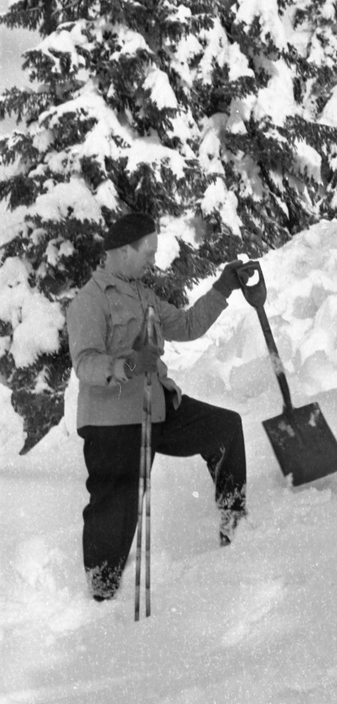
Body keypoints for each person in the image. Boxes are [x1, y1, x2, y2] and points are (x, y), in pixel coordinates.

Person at [66, 212, 252, 602]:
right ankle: (101, 591)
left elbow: (185, 326)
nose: (153, 259)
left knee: (225, 429)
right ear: (121, 251)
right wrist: (129, 364)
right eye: (147, 252)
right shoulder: (89, 301)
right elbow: (85, 363)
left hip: (158, 406)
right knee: (116, 507)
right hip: (113, 421)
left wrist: (223, 287)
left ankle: (235, 520)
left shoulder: (143, 294)